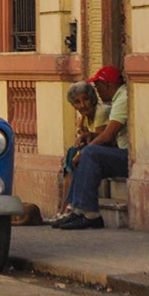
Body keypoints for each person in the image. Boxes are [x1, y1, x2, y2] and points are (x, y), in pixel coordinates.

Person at [55, 65, 130, 230]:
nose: (97, 90)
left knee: (89, 153)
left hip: (129, 157)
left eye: (98, 86)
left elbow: (108, 135)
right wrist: (90, 138)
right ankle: (76, 210)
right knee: (85, 155)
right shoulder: (118, 98)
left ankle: (90, 214)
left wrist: (83, 152)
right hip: (122, 153)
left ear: (107, 85)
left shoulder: (122, 98)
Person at [52, 81, 112, 220]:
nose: (82, 105)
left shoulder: (101, 112)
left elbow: (101, 140)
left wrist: (82, 140)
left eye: (85, 99)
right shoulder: (84, 117)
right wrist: (81, 129)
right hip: (94, 152)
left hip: (106, 152)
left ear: (92, 99)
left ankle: (67, 209)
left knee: (75, 156)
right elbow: (82, 140)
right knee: (71, 155)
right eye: (77, 102)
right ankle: (64, 210)